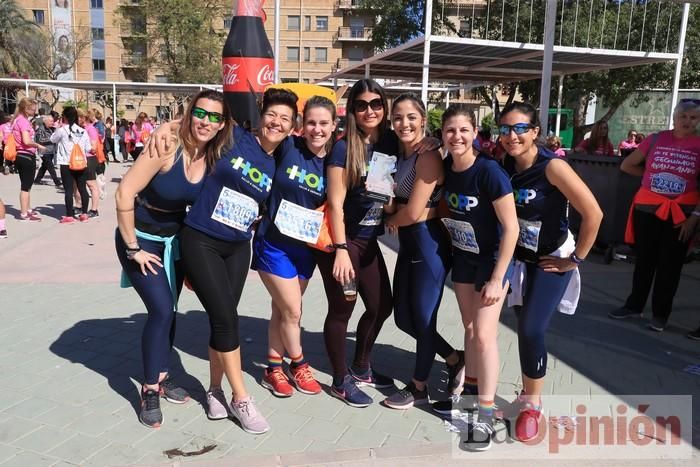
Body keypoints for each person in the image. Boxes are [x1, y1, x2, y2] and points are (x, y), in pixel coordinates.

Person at [150, 88, 299, 434]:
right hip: (201, 239)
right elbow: (200, 124)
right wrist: (166, 127)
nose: (276, 122)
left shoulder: (282, 157)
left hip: (238, 247)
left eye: (285, 119)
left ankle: (214, 391)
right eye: (272, 115)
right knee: (226, 318)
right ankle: (241, 398)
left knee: (223, 321)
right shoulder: (236, 136)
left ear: (292, 127)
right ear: (261, 116)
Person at [314, 79, 446, 408]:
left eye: (376, 104)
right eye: (362, 105)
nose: (369, 110)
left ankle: (361, 366)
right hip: (343, 244)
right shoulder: (344, 147)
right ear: (352, 111)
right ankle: (340, 380)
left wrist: (431, 142)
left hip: (371, 240)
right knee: (342, 309)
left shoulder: (388, 141)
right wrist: (341, 250)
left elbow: (414, 150)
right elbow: (335, 204)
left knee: (381, 306)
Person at [115, 90, 231, 428]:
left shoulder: (214, 153)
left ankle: (162, 375)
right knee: (161, 309)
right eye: (200, 113)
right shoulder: (167, 146)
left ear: (221, 123)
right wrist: (133, 248)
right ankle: (149, 389)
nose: (205, 122)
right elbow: (124, 193)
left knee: (172, 310)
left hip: (176, 240)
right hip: (141, 238)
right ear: (190, 112)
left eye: (214, 117)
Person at [500, 102, 602, 443]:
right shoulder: (505, 166)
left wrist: (576, 260)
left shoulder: (553, 167)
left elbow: (594, 214)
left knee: (532, 329)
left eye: (519, 128)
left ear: (534, 132)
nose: (511, 136)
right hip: (520, 259)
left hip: (552, 258)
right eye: (504, 129)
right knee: (523, 328)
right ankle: (526, 395)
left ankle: (534, 405)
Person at [430, 104, 519, 451]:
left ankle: (485, 413)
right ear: (443, 135)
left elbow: (511, 228)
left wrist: (499, 277)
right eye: (450, 130)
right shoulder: (446, 168)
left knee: (483, 335)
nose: (457, 136)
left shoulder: (489, 172)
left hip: (492, 263)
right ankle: (468, 394)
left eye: (464, 130)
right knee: (469, 330)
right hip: (464, 259)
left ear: (475, 133)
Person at [253, 96, 337, 398]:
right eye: (311, 122)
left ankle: (273, 368)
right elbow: (252, 135)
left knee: (280, 310)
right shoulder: (288, 146)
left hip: (306, 249)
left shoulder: (333, 161)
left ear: (333, 126)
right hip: (273, 244)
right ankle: (299, 363)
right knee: (293, 310)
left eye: (323, 123)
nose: (317, 129)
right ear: (302, 125)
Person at [380, 94, 457, 411]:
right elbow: (393, 202)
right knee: (403, 319)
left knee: (424, 320)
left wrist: (386, 220)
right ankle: (455, 359)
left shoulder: (428, 156)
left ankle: (419, 387)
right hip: (409, 244)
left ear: (423, 119)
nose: (404, 123)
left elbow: (412, 213)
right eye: (398, 117)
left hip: (428, 244)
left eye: (411, 116)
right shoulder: (400, 154)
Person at [609, 99, 700, 331]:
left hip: (681, 215)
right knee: (645, 261)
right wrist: (649, 177)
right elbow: (627, 165)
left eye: (694, 117)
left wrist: (695, 217)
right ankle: (634, 305)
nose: (688, 121)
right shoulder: (656, 139)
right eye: (684, 116)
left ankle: (661, 315)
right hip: (647, 209)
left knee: (670, 265)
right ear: (675, 117)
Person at [50, 107, 91, 224]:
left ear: (65, 117)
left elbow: (52, 139)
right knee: (82, 188)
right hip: (81, 163)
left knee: (68, 190)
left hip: (66, 163)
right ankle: (84, 213)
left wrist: (57, 128)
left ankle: (69, 215)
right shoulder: (83, 131)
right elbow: (88, 148)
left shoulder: (62, 130)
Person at [11, 98, 46, 221]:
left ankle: (28, 209)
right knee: (26, 186)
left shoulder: (17, 120)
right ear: (25, 108)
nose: (34, 111)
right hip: (26, 154)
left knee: (27, 185)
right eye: (32, 109)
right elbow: (26, 141)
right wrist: (38, 145)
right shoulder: (23, 122)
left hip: (20, 155)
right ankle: (24, 213)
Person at [80, 109, 102, 217]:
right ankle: (79, 206)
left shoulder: (91, 129)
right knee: (79, 184)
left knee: (91, 185)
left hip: (89, 158)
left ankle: (94, 209)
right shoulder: (81, 128)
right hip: (81, 158)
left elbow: (93, 148)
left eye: (80, 117)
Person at [34, 114, 61, 187]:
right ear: (45, 121)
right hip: (44, 151)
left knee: (44, 166)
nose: (52, 123)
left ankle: (37, 180)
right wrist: (51, 140)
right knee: (50, 166)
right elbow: (39, 139)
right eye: (51, 121)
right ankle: (57, 182)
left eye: (53, 121)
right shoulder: (40, 129)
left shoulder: (52, 129)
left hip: (51, 151)